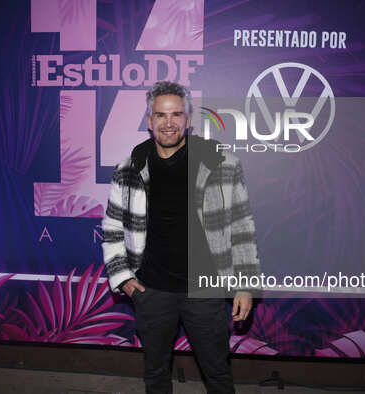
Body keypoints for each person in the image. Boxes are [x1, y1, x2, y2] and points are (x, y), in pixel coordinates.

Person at [101, 81, 261, 394]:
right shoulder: (130, 168)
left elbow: (241, 225)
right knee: (156, 373)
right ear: (149, 121)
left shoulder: (221, 165)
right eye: (160, 115)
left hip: (204, 289)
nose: (169, 122)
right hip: (152, 289)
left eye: (176, 114)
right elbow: (112, 226)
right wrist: (122, 276)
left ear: (188, 120)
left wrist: (245, 284)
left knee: (217, 373)